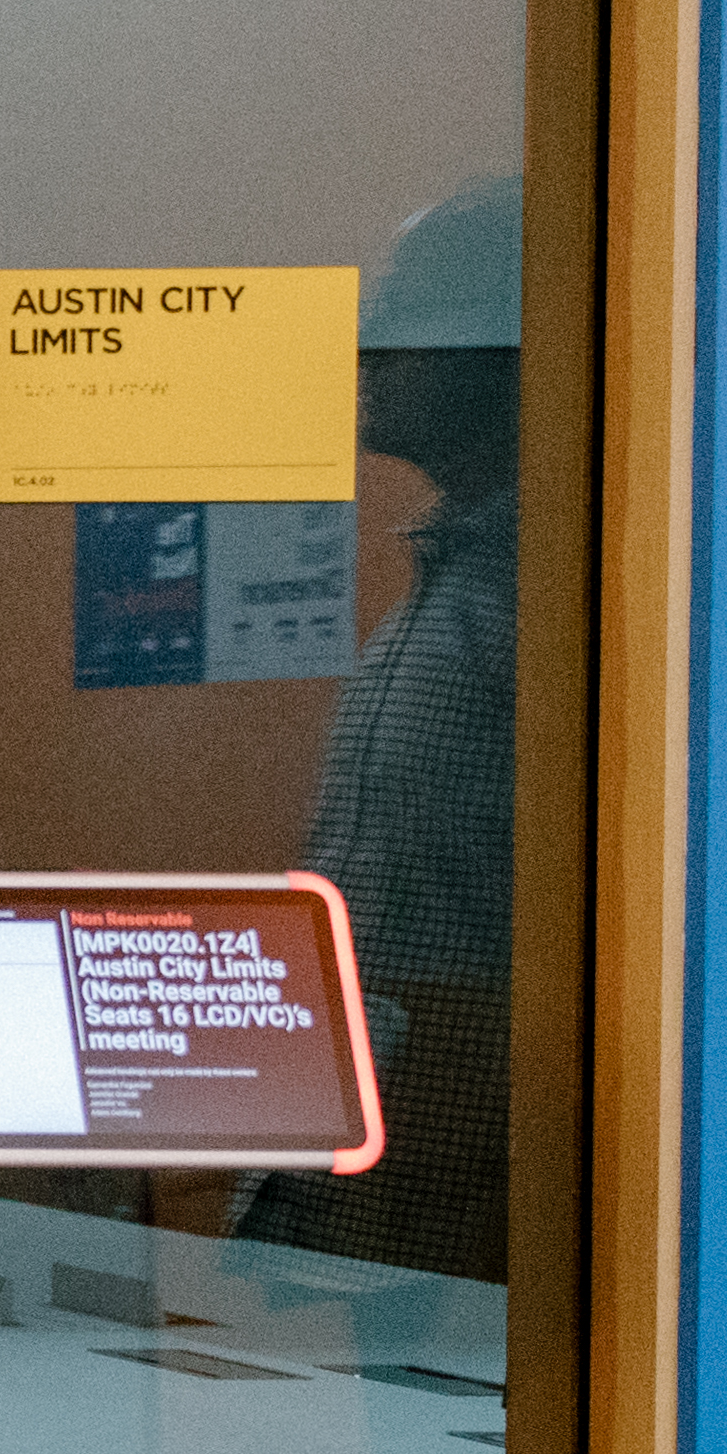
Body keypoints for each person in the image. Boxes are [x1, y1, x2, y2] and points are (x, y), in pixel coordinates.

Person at [244, 179, 522, 1285]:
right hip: (369, 1126)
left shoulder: (580, 598)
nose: (369, 344)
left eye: (412, 311)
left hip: (470, 1158)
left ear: (504, 349)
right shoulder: (453, 575)